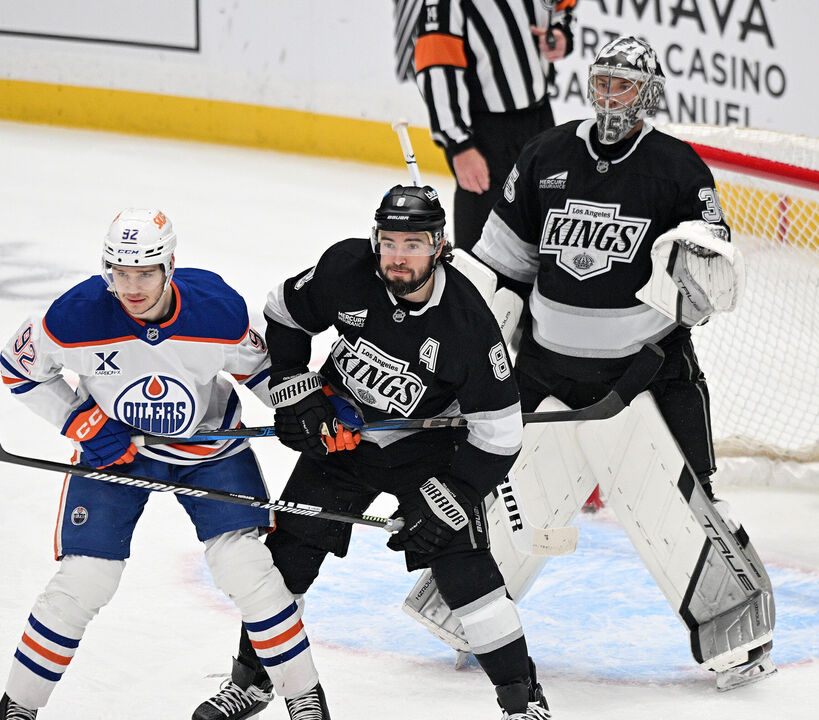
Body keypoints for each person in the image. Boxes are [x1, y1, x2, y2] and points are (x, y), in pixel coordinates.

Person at [464, 34, 775, 687]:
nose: (610, 97)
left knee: (688, 504)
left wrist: (697, 266)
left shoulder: (677, 169)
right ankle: (468, 613)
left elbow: (709, 275)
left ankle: (738, 636)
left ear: (648, 92)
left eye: (624, 85)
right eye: (602, 83)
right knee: (500, 489)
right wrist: (484, 336)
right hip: (545, 368)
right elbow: (504, 263)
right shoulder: (546, 153)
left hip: (645, 372)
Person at [193, 186, 555, 719]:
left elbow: (500, 434)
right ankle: (252, 681)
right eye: (389, 242)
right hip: (341, 439)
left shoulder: (468, 325)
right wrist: (297, 390)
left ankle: (522, 701)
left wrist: (452, 497)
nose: (398, 256)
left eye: (413, 244)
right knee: (286, 560)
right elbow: (283, 311)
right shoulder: (347, 269)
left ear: (439, 246)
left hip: (428, 450)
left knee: (466, 574)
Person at [0, 209, 329, 720]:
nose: (131, 287)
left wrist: (302, 412)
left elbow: (261, 371)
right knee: (86, 579)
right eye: (120, 273)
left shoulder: (217, 311)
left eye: (145, 273)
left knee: (248, 569)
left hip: (207, 451)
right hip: (117, 453)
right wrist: (85, 423)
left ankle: (305, 700)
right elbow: (18, 368)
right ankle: (17, 707)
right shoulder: (75, 316)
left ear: (170, 265)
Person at [401, 0, 578, 252]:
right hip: (486, 135)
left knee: (547, 224)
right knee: (481, 246)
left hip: (540, 118)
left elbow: (563, 5)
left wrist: (561, 31)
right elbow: (437, 67)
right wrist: (459, 144)